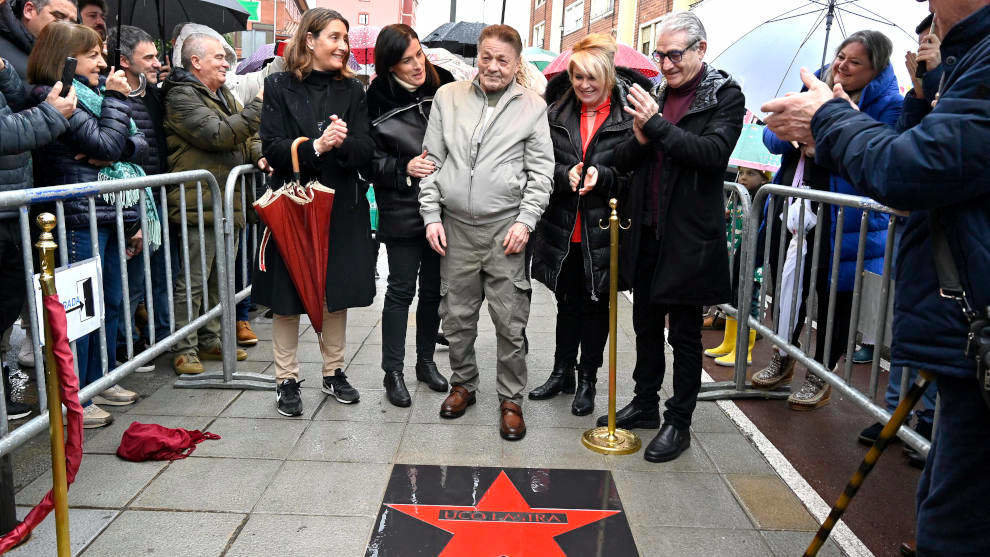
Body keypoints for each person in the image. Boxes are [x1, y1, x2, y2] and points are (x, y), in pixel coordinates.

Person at [762, 1, 990, 553]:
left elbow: (913, 168)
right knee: (944, 501)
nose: (927, 6)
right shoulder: (963, 63)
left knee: (957, 521)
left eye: (851, 60)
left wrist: (829, 121)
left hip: (967, 320)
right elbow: (920, 167)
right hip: (961, 333)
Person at [596, 11, 744, 463]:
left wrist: (656, 126)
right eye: (659, 55)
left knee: (683, 334)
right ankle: (644, 402)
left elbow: (713, 154)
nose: (665, 64)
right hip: (647, 229)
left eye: (674, 54)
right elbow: (626, 159)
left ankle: (678, 420)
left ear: (701, 49)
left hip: (689, 236)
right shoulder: (655, 93)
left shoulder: (725, 95)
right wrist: (641, 137)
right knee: (644, 324)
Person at [419, 24, 554, 441]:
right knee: (456, 318)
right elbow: (430, 161)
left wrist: (525, 221)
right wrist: (431, 216)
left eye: (503, 60)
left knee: (510, 322)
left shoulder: (532, 106)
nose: (493, 67)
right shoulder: (448, 97)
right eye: (486, 57)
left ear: (516, 65)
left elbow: (541, 172)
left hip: (505, 230)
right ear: (477, 57)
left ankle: (511, 399)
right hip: (455, 228)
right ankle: (464, 385)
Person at [754, 31, 901, 412]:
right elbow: (771, 135)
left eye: (855, 62)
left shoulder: (889, 104)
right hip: (792, 208)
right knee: (788, 287)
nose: (842, 66)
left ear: (876, 69)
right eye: (841, 56)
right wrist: (796, 136)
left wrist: (828, 140)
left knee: (836, 297)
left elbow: (883, 156)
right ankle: (784, 355)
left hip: (845, 222)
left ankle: (822, 372)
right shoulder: (812, 84)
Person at [256, 8, 376, 417]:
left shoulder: (355, 92)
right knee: (287, 295)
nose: (343, 46)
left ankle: (333, 372)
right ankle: (286, 379)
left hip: (341, 206)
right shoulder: (277, 86)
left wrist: (340, 143)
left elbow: (367, 151)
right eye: (335, 37)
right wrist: (316, 146)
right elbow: (271, 147)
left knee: (334, 293)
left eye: (345, 39)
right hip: (293, 203)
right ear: (310, 40)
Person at [28, 21, 146, 426]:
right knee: (79, 310)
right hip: (76, 215)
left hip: (108, 211)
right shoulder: (54, 95)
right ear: (66, 58)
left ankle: (100, 379)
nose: (102, 62)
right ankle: (73, 393)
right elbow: (107, 144)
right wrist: (116, 104)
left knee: (110, 301)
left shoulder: (93, 96)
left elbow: (134, 143)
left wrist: (116, 144)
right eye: (93, 54)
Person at [528, 34, 649, 416]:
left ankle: (587, 380)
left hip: (606, 229)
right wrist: (567, 174)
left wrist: (605, 177)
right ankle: (561, 371)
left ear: (609, 77)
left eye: (592, 78)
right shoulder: (555, 113)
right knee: (567, 302)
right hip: (565, 227)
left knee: (598, 305)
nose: (583, 85)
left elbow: (636, 174)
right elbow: (540, 165)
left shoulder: (627, 116)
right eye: (578, 76)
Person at [858, 13, 942, 468]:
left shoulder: (966, 85)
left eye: (933, 40)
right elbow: (906, 145)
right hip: (914, 230)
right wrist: (921, 91)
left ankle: (927, 418)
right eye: (921, 41)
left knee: (939, 332)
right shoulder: (919, 94)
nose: (923, 50)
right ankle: (895, 411)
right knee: (902, 317)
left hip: (948, 239)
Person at [163, 33, 264, 374]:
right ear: (195, 61)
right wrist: (259, 104)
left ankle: (209, 339)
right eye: (219, 57)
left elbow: (246, 136)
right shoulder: (181, 96)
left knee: (218, 279)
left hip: (224, 200)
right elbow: (220, 134)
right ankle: (184, 348)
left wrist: (261, 157)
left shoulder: (221, 94)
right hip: (198, 203)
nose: (226, 63)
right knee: (193, 280)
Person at [366, 23, 454, 407]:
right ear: (389, 66)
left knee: (434, 290)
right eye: (406, 60)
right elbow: (368, 159)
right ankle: (393, 372)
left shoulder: (445, 84)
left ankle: (424, 362)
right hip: (401, 206)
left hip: (445, 207)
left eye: (419, 54)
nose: (418, 65)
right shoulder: (374, 97)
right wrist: (403, 167)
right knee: (401, 290)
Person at [0, 47, 75, 420]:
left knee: (9, 300)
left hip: (10, 211)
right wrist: (50, 114)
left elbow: (13, 104)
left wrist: (3, 71)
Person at [106, 24, 167, 372]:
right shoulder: (113, 94)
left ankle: (133, 341)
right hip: (128, 198)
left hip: (154, 192)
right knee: (125, 280)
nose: (157, 62)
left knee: (144, 277)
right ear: (125, 61)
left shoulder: (151, 94)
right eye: (149, 57)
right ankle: (121, 347)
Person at [704, 165, 770, 367]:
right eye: (741, 173)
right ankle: (729, 342)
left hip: (752, 262)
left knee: (747, 303)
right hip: (733, 258)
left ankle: (744, 350)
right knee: (732, 300)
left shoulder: (764, 198)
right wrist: (725, 216)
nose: (743, 178)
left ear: (764, 179)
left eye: (751, 174)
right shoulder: (737, 195)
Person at [0, 0, 76, 81]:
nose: (68, 27)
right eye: (59, 16)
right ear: (29, 10)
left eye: (72, 22)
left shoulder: (64, 61)